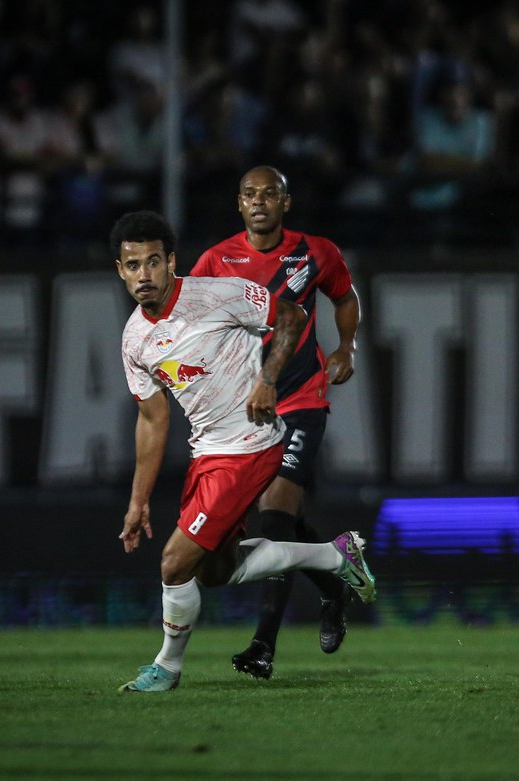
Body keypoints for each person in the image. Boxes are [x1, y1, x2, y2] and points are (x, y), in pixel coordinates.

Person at [111, 209, 375, 692]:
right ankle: (335, 557)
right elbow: (152, 420)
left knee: (173, 562)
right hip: (207, 452)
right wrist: (138, 500)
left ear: (172, 262)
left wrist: (267, 381)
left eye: (153, 262)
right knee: (215, 571)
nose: (143, 275)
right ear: (120, 269)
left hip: (251, 444)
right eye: (133, 265)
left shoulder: (218, 293)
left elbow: (292, 315)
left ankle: (166, 668)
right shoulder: (134, 339)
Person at [189, 165, 361, 679]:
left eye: (269, 194)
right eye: (249, 194)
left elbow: (345, 298)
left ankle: (263, 646)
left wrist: (345, 345)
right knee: (281, 521)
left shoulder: (316, 252)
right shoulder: (216, 261)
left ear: (286, 203)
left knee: (275, 514)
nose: (258, 201)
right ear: (238, 204)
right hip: (243, 408)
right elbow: (192, 321)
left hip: (300, 398)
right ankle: (335, 583)